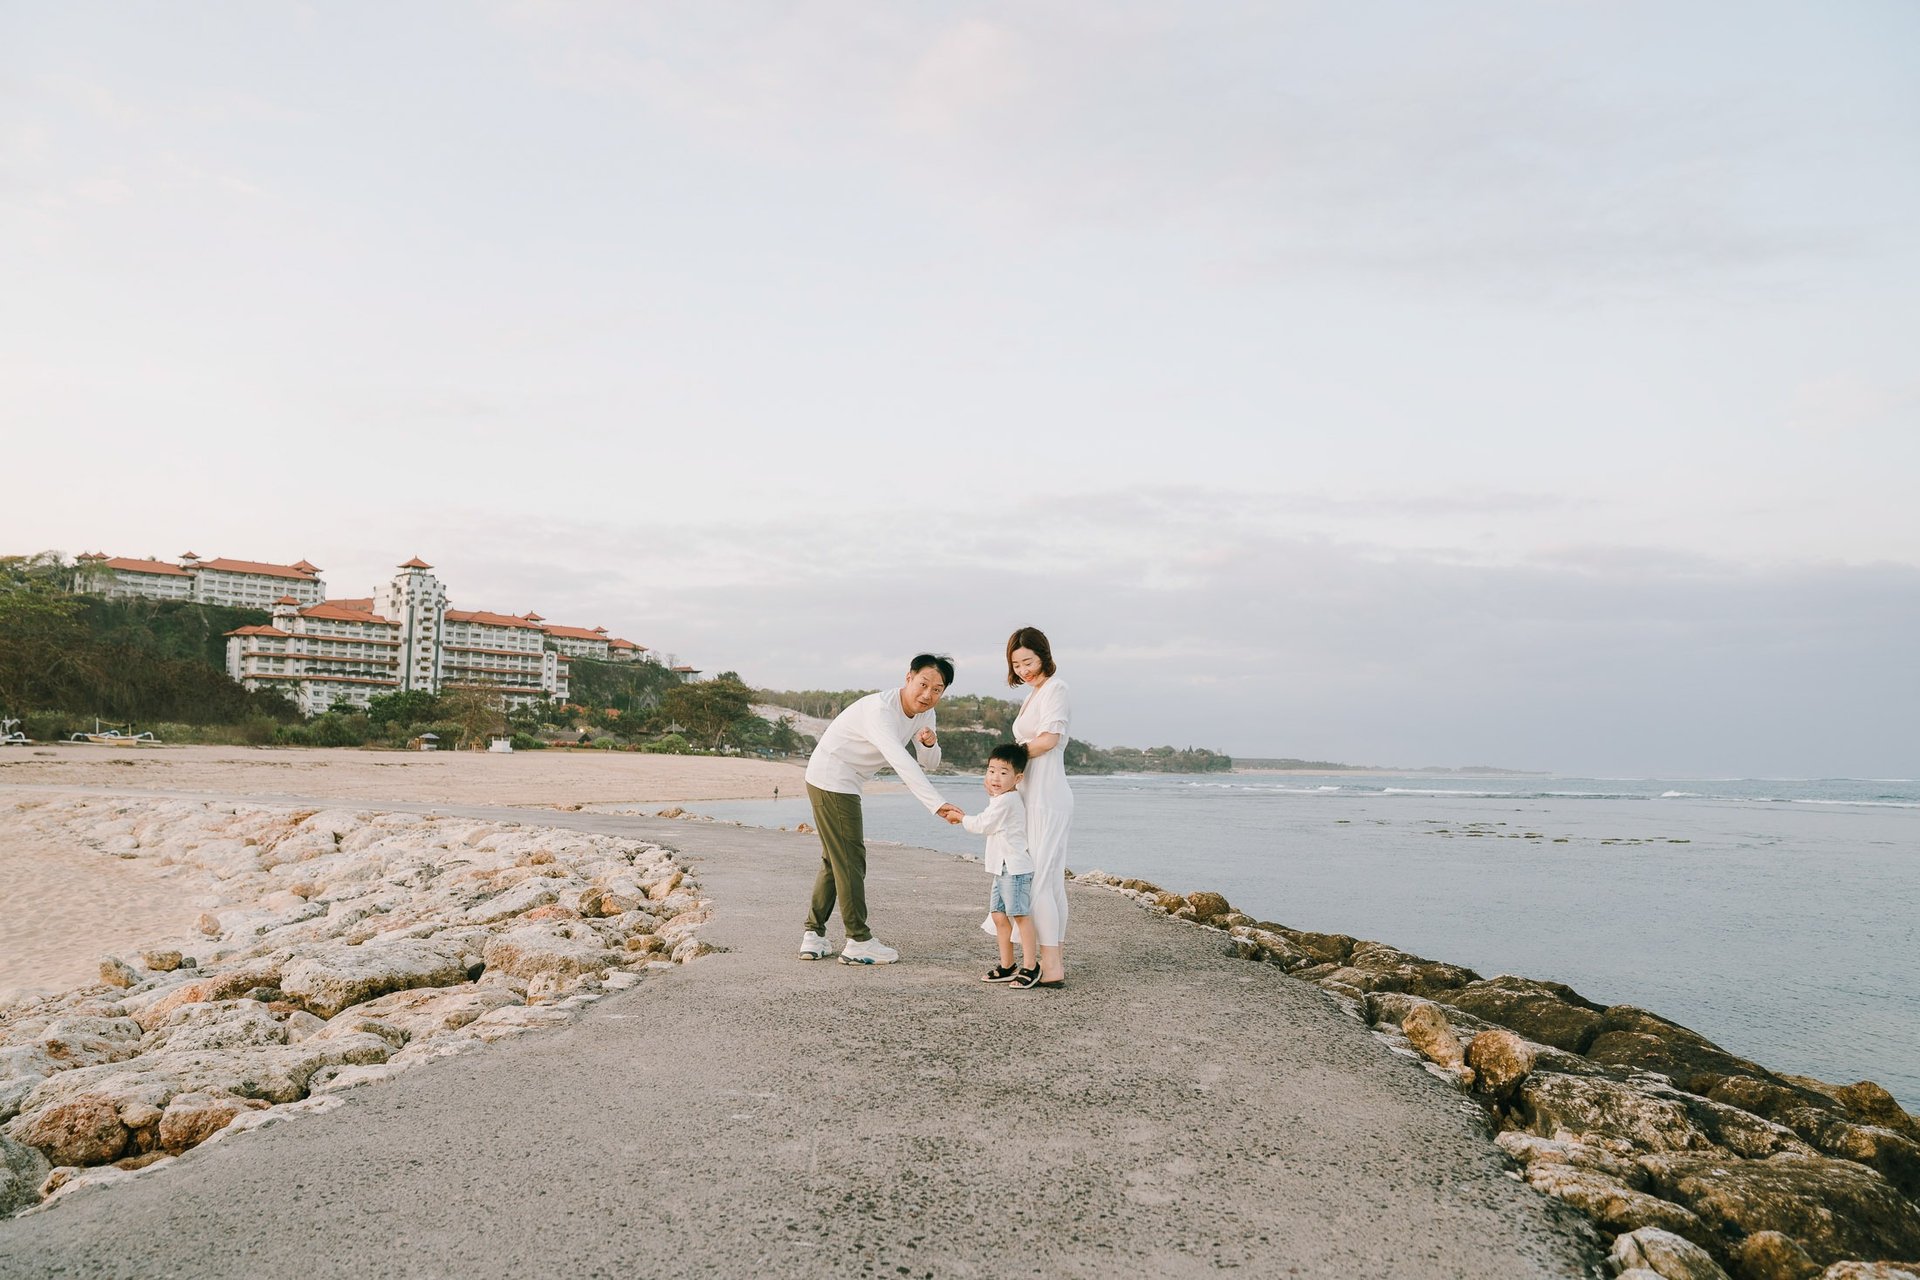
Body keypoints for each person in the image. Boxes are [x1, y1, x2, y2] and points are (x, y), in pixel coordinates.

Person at [799, 654, 963, 965]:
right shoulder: (881, 710)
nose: (928, 694)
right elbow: (900, 761)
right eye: (923, 684)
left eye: (937, 689)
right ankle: (858, 941)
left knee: (835, 861)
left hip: (845, 779)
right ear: (908, 678)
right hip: (833, 775)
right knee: (850, 859)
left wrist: (929, 744)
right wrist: (937, 804)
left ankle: (814, 936)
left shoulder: (926, 714)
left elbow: (928, 764)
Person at [1008, 627, 1072, 989]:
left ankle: (1050, 967)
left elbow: (1049, 740)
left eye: (1028, 661)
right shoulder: (1034, 694)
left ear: (1044, 655)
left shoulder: (1056, 688)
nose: (1023, 670)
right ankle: (1054, 961)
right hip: (1034, 795)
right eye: (1016, 664)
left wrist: (1007, 759)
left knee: (1039, 884)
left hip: (1048, 796)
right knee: (1050, 884)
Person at [961, 743, 1035, 985]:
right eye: (991, 771)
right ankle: (1007, 965)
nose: (995, 777)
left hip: (1014, 868)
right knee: (998, 915)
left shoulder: (1007, 801)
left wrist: (959, 818)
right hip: (1001, 868)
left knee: (1020, 916)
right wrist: (993, 794)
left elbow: (984, 824)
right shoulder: (1002, 799)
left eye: (1003, 773)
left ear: (1018, 778)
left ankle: (1030, 967)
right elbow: (992, 817)